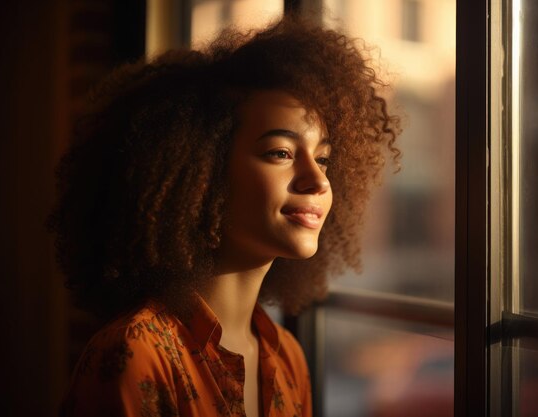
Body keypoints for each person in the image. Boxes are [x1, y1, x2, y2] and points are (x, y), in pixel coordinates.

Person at [47, 17, 400, 417]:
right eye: (280, 153)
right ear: (203, 173)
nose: (317, 180)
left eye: (323, 158)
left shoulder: (288, 359)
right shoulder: (135, 355)